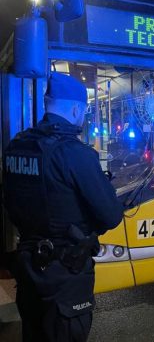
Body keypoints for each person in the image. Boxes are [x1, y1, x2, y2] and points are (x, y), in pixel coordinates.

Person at [2, 72, 124, 341]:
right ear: (76, 109)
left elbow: (10, 203)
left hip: (29, 271)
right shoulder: (75, 153)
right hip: (65, 276)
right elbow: (111, 216)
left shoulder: (17, 146)